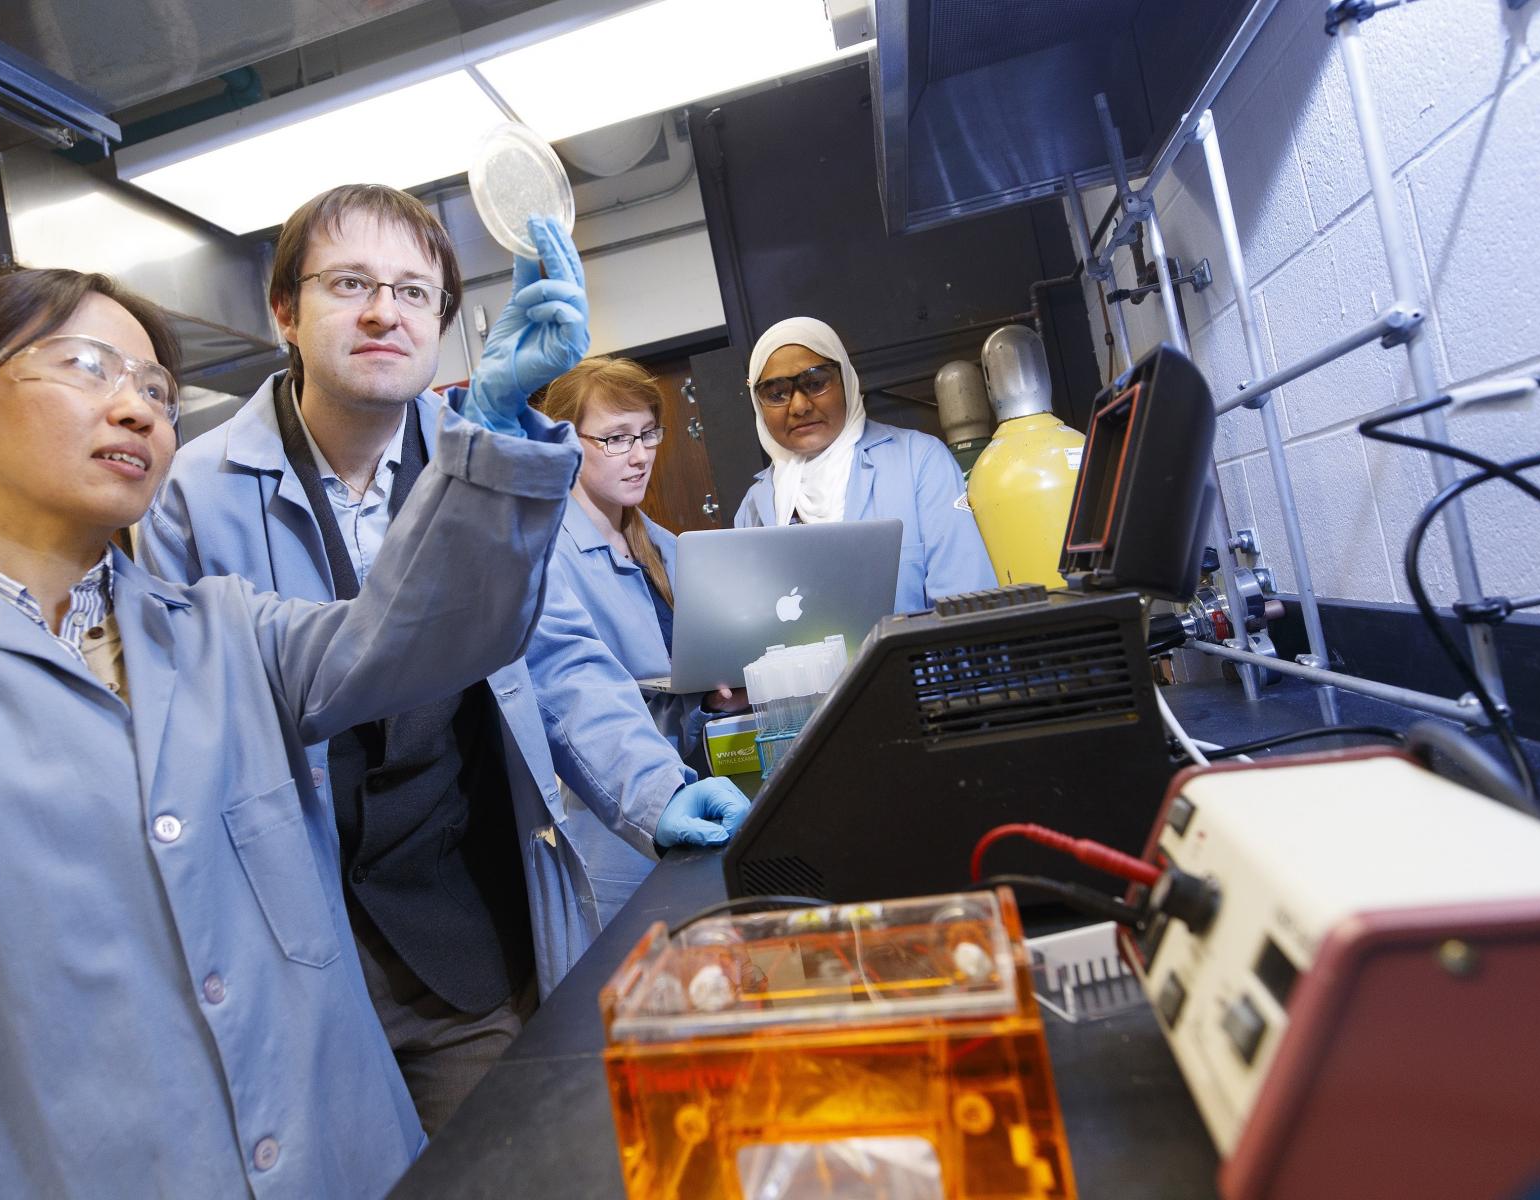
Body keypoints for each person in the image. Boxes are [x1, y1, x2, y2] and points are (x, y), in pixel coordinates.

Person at [0, 267, 580, 1197]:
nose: (134, 409)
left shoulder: (229, 631)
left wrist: (482, 440)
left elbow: (433, 633)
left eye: (156, 390)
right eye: (87, 366)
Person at [139, 184, 749, 1133]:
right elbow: (177, 738)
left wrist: (653, 787)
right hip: (298, 934)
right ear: (284, 312)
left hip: (468, 924)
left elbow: (552, 654)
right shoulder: (191, 494)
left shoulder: (487, 458)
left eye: (415, 292)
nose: (385, 311)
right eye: (349, 283)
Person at [538, 356, 747, 765]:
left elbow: (678, 694)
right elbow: (583, 716)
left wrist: (714, 700)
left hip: (698, 771)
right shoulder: (545, 561)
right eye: (617, 438)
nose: (640, 457)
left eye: (647, 434)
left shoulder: (665, 546)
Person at [736, 316, 997, 611]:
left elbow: (968, 606)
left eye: (815, 382)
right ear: (759, 405)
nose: (799, 406)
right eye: (776, 393)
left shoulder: (918, 462)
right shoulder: (755, 507)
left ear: (846, 380)